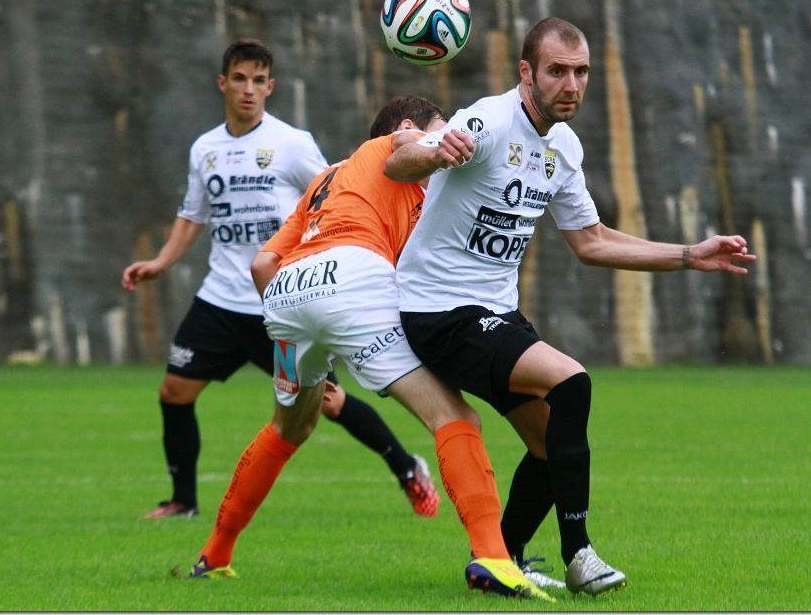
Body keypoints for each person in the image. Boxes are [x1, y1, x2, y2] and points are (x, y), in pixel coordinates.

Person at [385, 16, 757, 595]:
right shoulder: (488, 120)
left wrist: (691, 255)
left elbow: (592, 242)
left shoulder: (563, 146)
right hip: (439, 311)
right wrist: (434, 154)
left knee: (547, 442)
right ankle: (578, 553)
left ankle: (499, 562)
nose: (572, 85)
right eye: (557, 71)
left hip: (492, 314)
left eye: (581, 72)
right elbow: (396, 161)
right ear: (526, 72)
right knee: (572, 382)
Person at [189, 96, 554, 602]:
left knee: (289, 428)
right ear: (407, 129)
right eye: (440, 129)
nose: (446, 140)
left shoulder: (326, 179)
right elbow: (412, 149)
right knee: (455, 418)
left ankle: (213, 557)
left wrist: (304, 332)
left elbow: (262, 264)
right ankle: (493, 559)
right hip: (355, 278)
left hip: (288, 291)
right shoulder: (398, 149)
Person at [122, 40, 439, 521]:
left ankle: (406, 467)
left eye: (258, 80)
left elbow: (339, 189)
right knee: (174, 392)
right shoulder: (205, 149)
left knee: (329, 402)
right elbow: (192, 215)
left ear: (270, 87)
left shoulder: (291, 143)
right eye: (239, 79)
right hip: (221, 299)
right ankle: (183, 501)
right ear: (223, 83)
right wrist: (161, 262)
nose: (248, 90)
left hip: (284, 296)